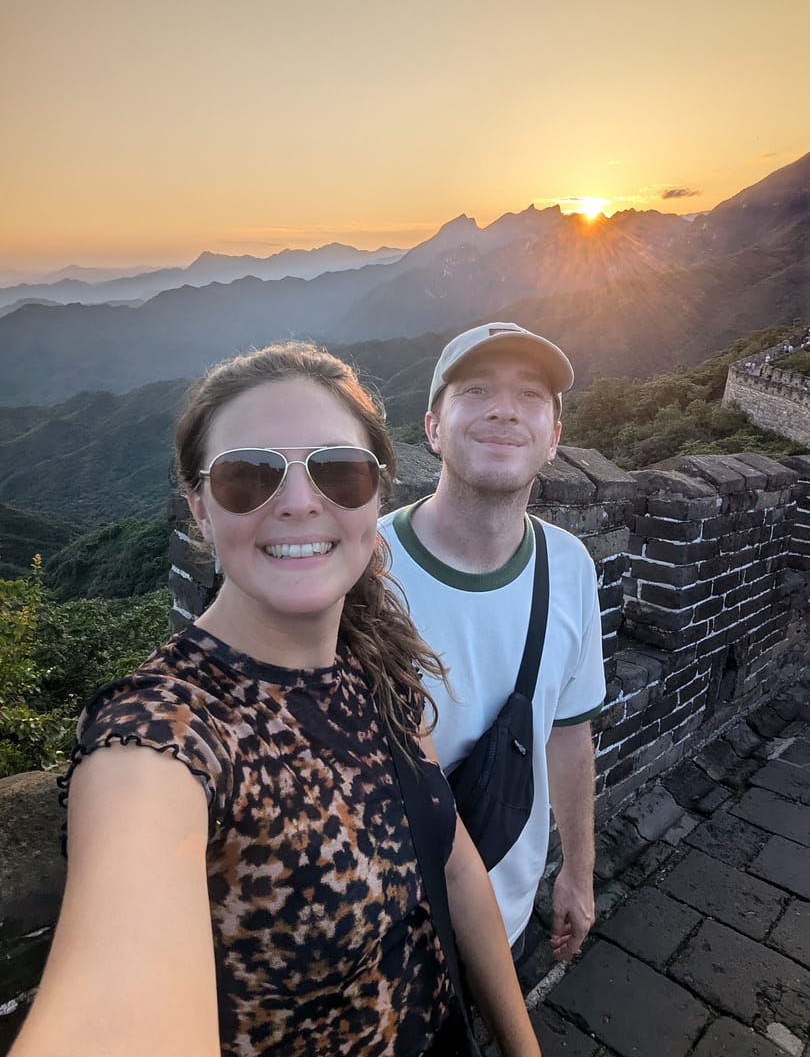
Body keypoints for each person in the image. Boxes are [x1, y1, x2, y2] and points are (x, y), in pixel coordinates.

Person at [11, 343, 540, 1057]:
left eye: (338, 471)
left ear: (376, 494)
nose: (297, 501)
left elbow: (451, 861)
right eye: (247, 476)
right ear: (199, 508)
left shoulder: (373, 652)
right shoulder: (162, 731)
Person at [380, 322, 605, 964]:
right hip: (377, 924)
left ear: (554, 439)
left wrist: (578, 872)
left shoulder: (570, 566)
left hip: (503, 914)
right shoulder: (363, 568)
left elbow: (566, 728)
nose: (505, 409)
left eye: (531, 395)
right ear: (432, 427)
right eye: (476, 390)